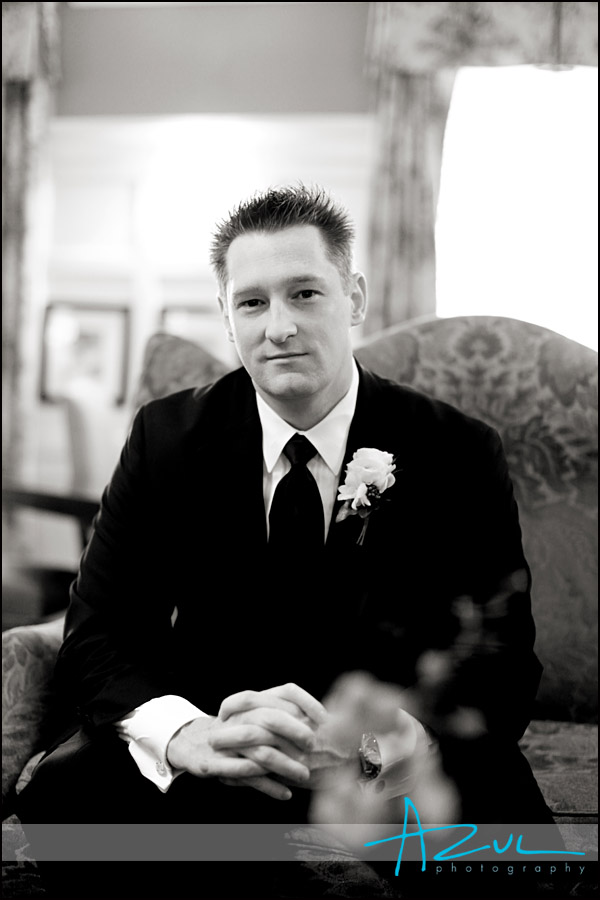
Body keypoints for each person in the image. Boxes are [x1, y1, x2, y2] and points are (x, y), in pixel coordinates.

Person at [17, 185, 554, 898]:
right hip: (223, 738)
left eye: (305, 294)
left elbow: (501, 658)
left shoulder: (455, 448)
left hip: (386, 751)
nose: (279, 328)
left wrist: (378, 748)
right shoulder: (165, 438)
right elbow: (100, 630)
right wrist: (186, 736)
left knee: (518, 859)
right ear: (226, 315)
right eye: (252, 302)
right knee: (66, 797)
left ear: (354, 297)